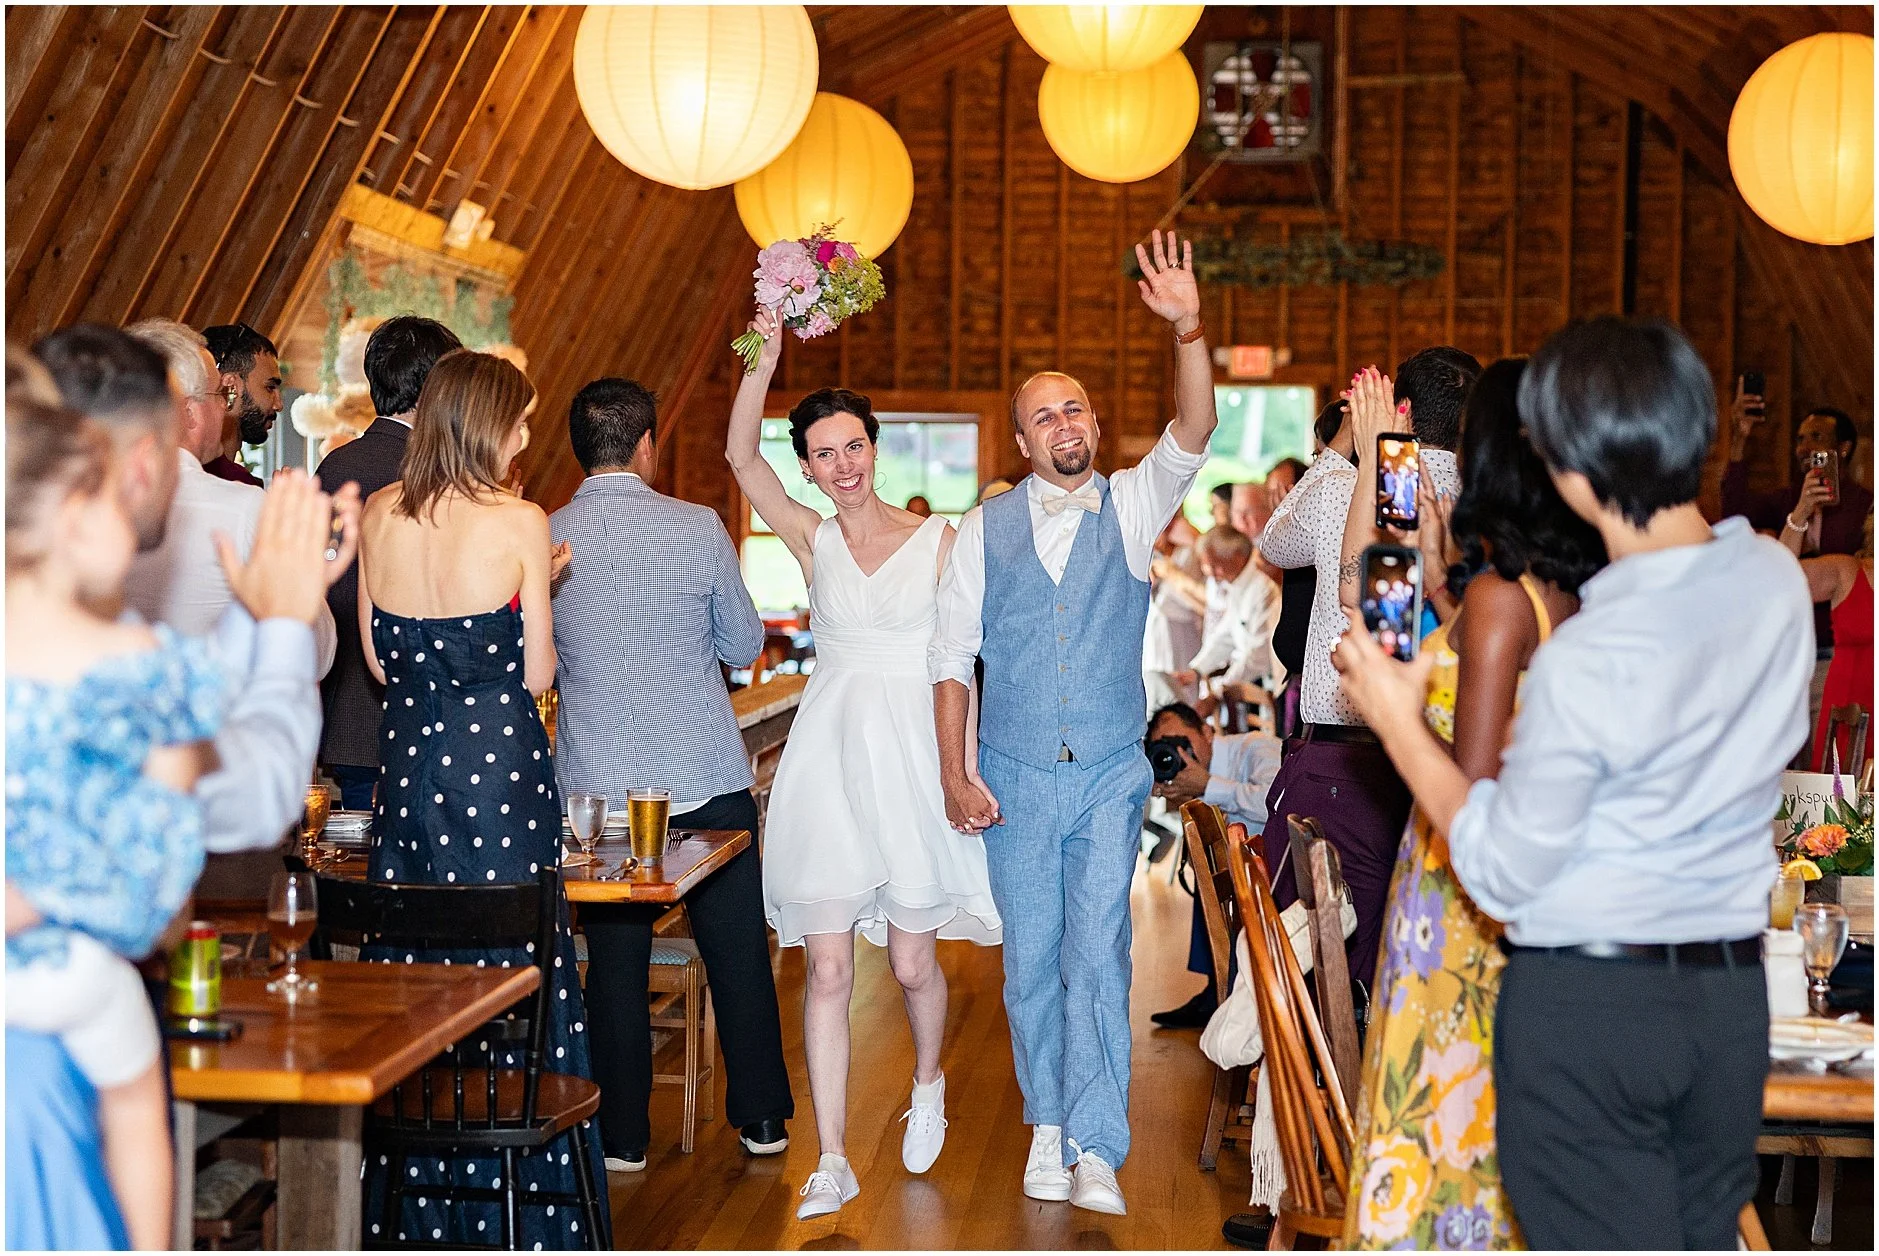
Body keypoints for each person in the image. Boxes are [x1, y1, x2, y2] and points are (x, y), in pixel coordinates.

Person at [1334, 318, 1811, 1250]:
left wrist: (1397, 719)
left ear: (1567, 464)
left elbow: (1505, 874)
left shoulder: (1589, 657)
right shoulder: (1770, 581)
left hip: (1592, 1013)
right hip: (1725, 998)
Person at [931, 228, 1216, 1216]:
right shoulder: (982, 527)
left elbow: (1195, 425)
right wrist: (953, 770)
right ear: (1020, 439)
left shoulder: (1133, 506)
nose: (1063, 423)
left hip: (1104, 768)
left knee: (1099, 948)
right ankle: (1046, 1122)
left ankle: (1098, 1141)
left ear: (1093, 421)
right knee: (1030, 957)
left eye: (1075, 407)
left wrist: (1186, 324)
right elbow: (948, 660)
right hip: (1009, 772)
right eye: (1043, 414)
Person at [729, 310, 1001, 1220]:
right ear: (806, 465)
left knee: (918, 964)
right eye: (823, 452)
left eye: (854, 446)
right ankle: (834, 1156)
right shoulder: (811, 538)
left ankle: (928, 1082)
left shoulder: (941, 542)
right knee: (832, 967)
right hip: (829, 761)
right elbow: (739, 460)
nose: (842, 464)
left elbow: (959, 661)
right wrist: (760, 365)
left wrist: (960, 767)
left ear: (873, 450)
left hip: (914, 760)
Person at [1340, 359, 1606, 1250]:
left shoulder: (1497, 605)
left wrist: (1396, 714)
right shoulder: (1545, 590)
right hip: (1505, 892)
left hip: (1460, 903)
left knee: (1444, 1152)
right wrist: (1392, 467)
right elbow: (1408, 599)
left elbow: (1470, 775)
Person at [355, 349, 602, 1248]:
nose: (528, 437)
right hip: (500, 779)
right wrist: (537, 584)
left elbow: (383, 665)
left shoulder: (380, 514)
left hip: (410, 775)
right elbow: (537, 670)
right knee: (514, 975)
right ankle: (518, 1221)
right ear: (484, 425)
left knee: (419, 980)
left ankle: (421, 1217)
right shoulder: (522, 520)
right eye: (521, 422)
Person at [548, 376, 794, 1176]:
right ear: (648, 445)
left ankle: (622, 1138)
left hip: (597, 792)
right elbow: (743, 643)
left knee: (613, 966)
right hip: (704, 776)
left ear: (578, 449)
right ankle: (761, 1119)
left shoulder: (545, 532)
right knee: (736, 953)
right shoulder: (696, 527)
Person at [5, 397, 223, 1251]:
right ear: (71, 514)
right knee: (137, 1095)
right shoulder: (138, 664)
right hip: (63, 966)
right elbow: (157, 895)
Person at [33, 324, 342, 858]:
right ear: (140, 463)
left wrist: (253, 612)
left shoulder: (79, 635)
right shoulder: (111, 664)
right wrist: (286, 620)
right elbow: (256, 797)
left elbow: (189, 685)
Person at [1266, 348, 1473, 992]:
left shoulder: (1362, 482)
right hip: (1456, 765)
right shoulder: (1491, 506)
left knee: (1314, 973)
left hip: (1355, 757)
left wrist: (1364, 447)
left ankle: (1320, 1088)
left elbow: (1360, 590)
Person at [122, 319, 337, 675]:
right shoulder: (246, 508)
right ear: (189, 411)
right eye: (219, 395)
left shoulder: (88, 503)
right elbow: (315, 651)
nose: (225, 408)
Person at [314, 315, 463, 810]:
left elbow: (324, 587)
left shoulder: (337, 466)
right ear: (431, 390)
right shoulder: (442, 474)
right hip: (433, 712)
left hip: (351, 712)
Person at [1722, 388, 1872, 747]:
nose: (1805, 447)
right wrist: (1739, 441)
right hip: (1790, 653)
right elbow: (1735, 515)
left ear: (1844, 449)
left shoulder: (1864, 505)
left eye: (1816, 438)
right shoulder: (1789, 499)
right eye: (1801, 439)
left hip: (1839, 650)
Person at [1146, 701, 1282, 1028]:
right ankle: (1216, 987)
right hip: (1247, 871)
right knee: (1209, 862)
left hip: (1280, 866)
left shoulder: (1255, 748)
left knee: (1218, 861)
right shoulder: (1185, 778)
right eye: (1166, 749)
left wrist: (1207, 786)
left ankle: (1219, 992)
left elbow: (1275, 804)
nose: (1178, 754)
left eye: (1183, 741)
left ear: (1207, 731)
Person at [1791, 513, 1874, 771]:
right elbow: (1779, 578)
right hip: (1850, 708)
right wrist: (1800, 515)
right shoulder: (1847, 571)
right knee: (1840, 800)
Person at [1173, 525, 1279, 715]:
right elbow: (1225, 635)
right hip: (1242, 681)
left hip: (1264, 686)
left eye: (1215, 565)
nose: (1211, 574)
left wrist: (1219, 691)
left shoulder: (1262, 587)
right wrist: (1196, 670)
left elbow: (1257, 656)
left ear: (1237, 557)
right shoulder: (1235, 584)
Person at [200, 324, 281, 487]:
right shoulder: (213, 482)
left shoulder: (241, 481)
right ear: (231, 386)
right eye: (269, 387)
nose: (279, 405)